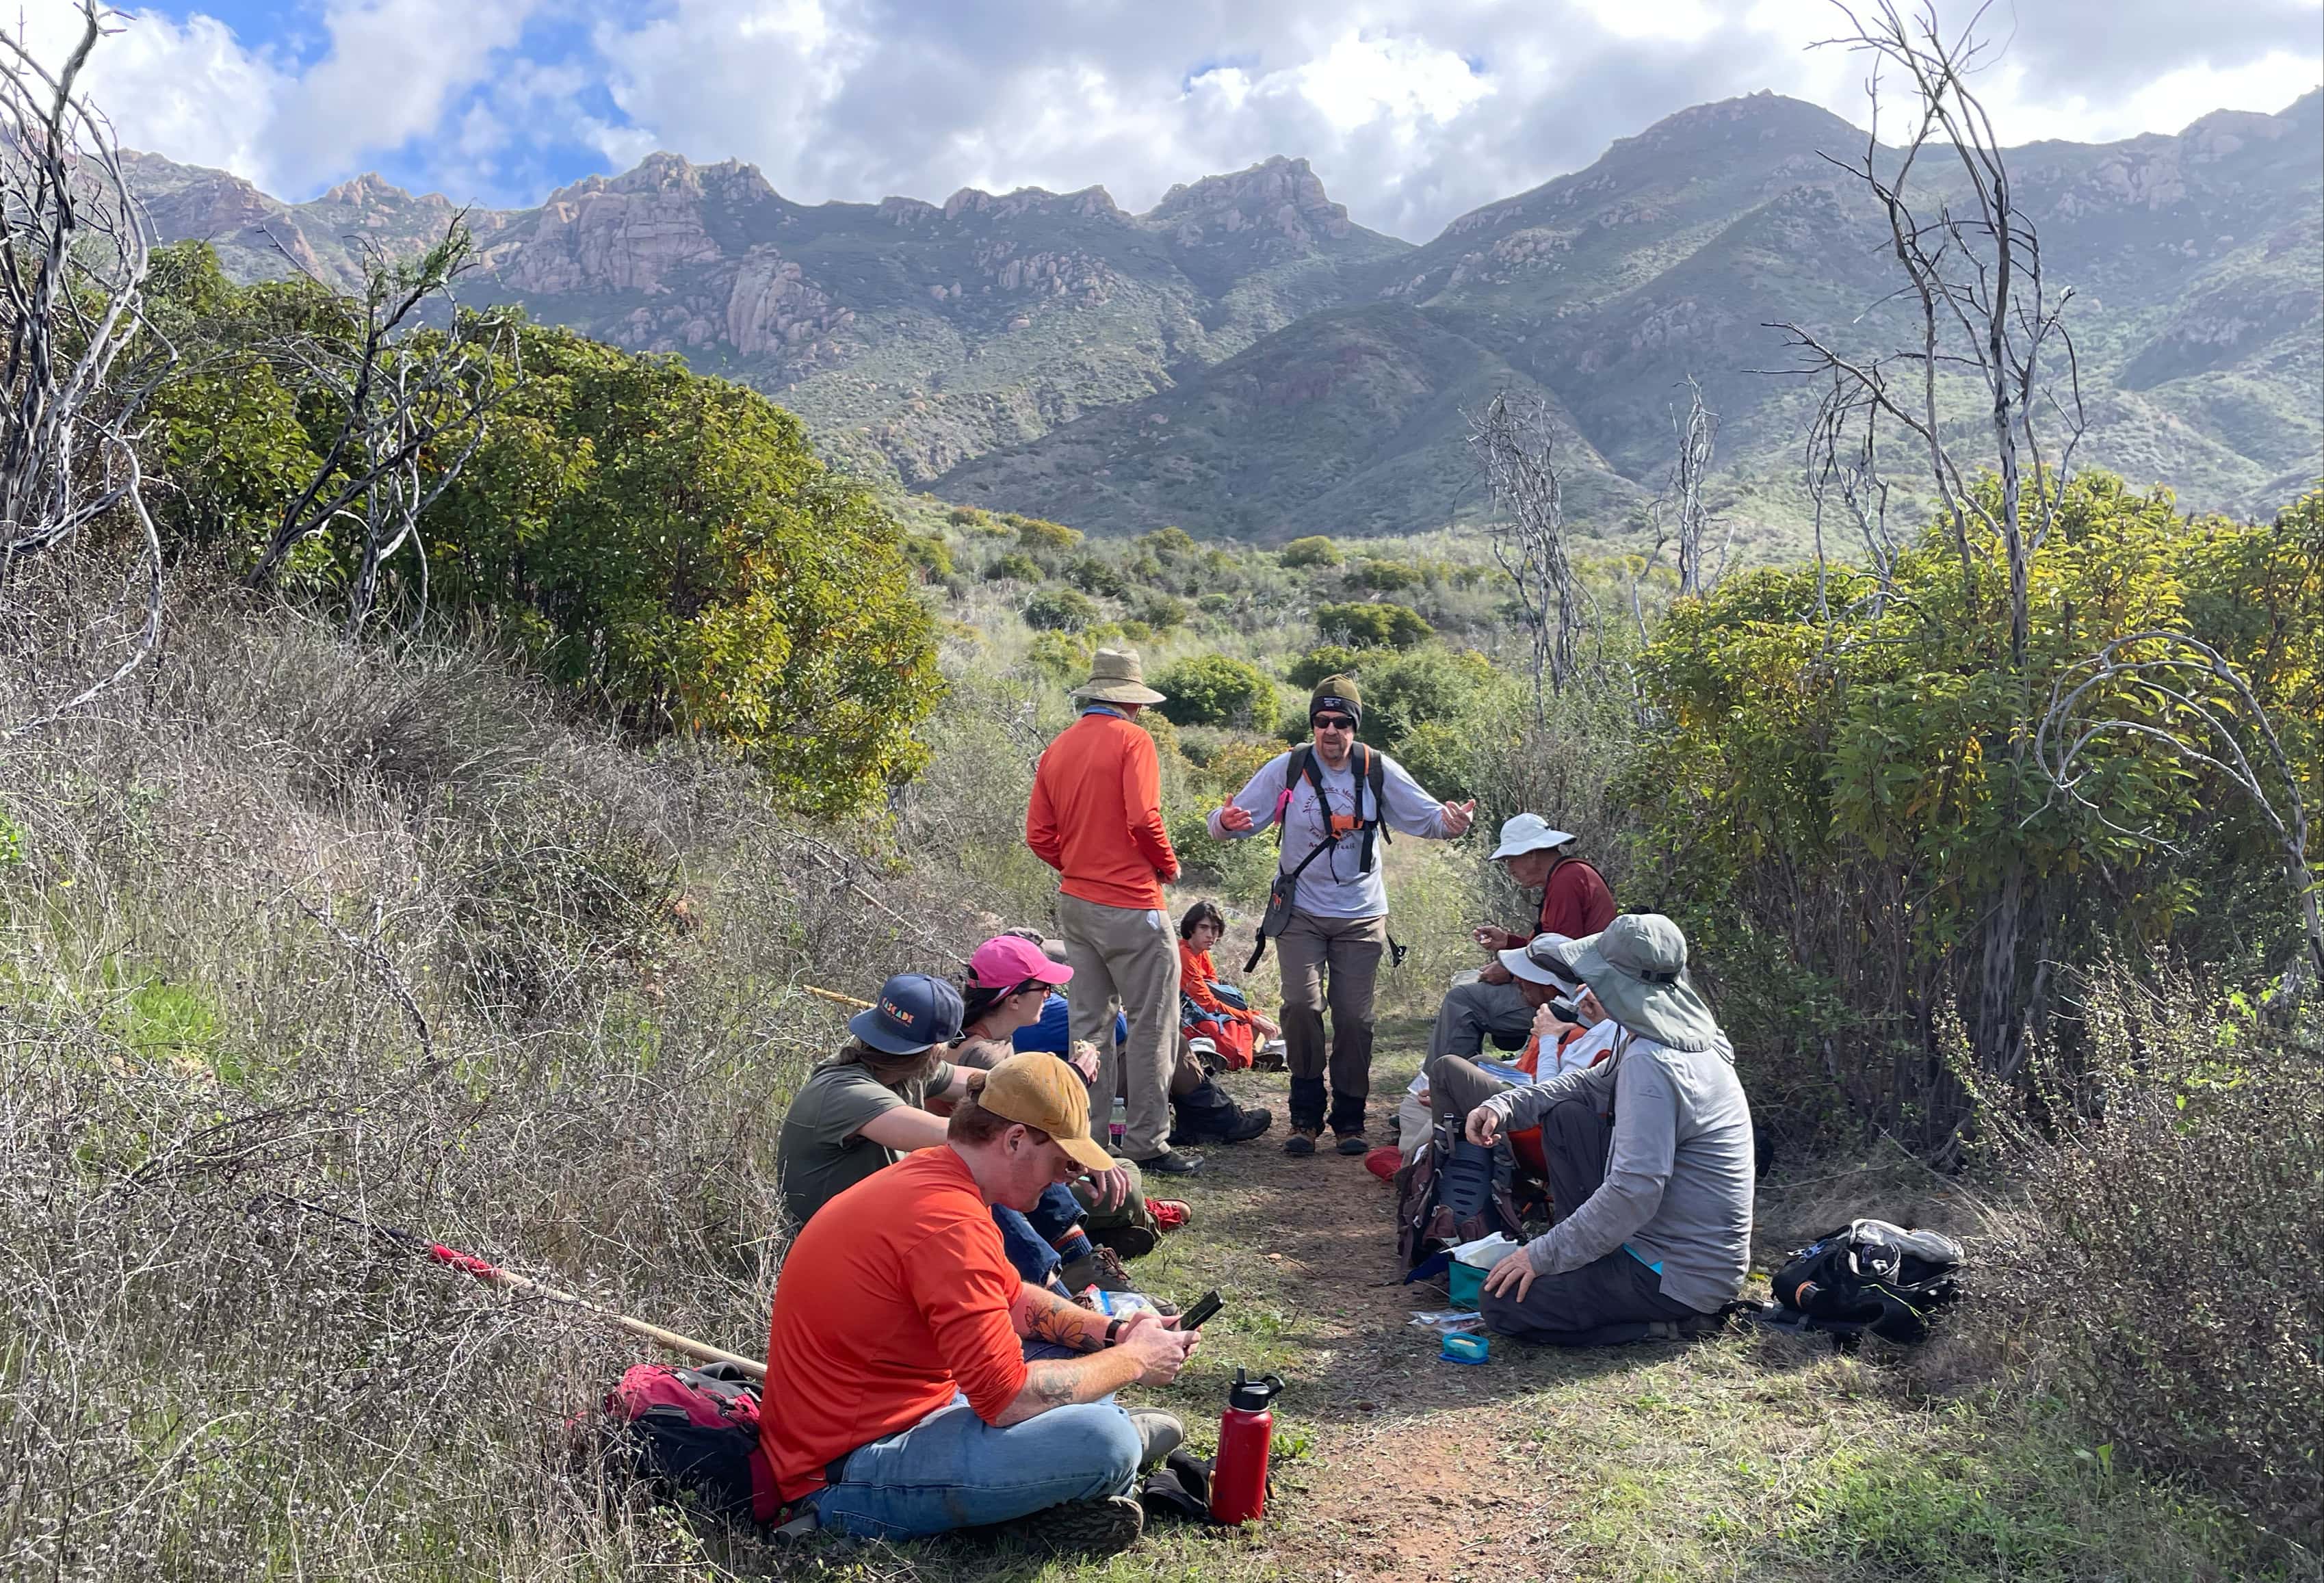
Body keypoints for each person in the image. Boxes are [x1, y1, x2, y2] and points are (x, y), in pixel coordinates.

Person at [763, 1053, 1202, 1553]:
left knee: (1082, 1367)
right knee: (1105, 1440)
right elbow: (1006, 1400)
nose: (1063, 1178)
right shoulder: (949, 1222)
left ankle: (1056, 1477)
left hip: (900, 1412)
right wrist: (1134, 1359)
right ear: (1014, 1140)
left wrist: (1113, 1333)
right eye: (1061, 1161)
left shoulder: (939, 1177)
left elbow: (1011, 1300)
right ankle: (1069, 1478)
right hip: (842, 1472)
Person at [1210, 675, 1474, 1155]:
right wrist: (1223, 824)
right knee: (1300, 1008)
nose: (1330, 731)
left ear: (1354, 726)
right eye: (1320, 721)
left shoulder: (1377, 769)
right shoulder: (1287, 768)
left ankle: (1349, 1119)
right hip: (1300, 911)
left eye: (1340, 722)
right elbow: (1228, 822)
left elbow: (1429, 818)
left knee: (1354, 1018)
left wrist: (1453, 824)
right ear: (1312, 724)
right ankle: (1305, 1115)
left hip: (1361, 914)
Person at [1463, 915, 1755, 1347]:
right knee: (1566, 1115)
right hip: (1674, 1250)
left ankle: (1674, 1324)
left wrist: (1541, 1256)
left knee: (1502, 1304)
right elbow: (1589, 1084)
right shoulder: (1669, 1039)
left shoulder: (1653, 1063)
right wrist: (1505, 1104)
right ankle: (1593, 1267)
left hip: (1676, 1274)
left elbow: (1634, 1190)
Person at [774, 971, 1136, 1298]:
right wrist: (1064, 1147)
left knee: (1019, 1142)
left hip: (882, 1224)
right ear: (934, 1047)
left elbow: (1000, 1087)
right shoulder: (846, 1094)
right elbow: (964, 1140)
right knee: (987, 1169)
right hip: (843, 1252)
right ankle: (1055, 1301)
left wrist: (1062, 1098)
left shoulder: (899, 1069)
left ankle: (1082, 1265)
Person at [1026, 648, 1196, 1176]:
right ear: (1132, 703)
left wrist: (1077, 864)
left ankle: (1087, 1141)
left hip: (1076, 901)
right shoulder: (1133, 740)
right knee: (1152, 1024)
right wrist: (1165, 867)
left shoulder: (1058, 747)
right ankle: (1146, 1141)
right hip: (1132, 903)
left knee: (1089, 1026)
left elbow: (1038, 835)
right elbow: (1144, 818)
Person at [950, 934, 1191, 1258]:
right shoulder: (985, 1056)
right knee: (1126, 1184)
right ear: (1014, 999)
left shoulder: (988, 1039)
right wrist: (1073, 1082)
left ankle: (1115, 1228)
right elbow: (1025, 1132)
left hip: (1014, 1162)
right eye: (1044, 989)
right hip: (1001, 1176)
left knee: (1120, 1169)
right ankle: (1132, 1222)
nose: (1050, 996)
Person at [1427, 813, 1616, 1077]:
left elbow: (1563, 960)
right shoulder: (1569, 875)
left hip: (1578, 1002)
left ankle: (1440, 1091)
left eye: (1511, 859)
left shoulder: (1567, 880)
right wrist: (1509, 942)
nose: (1510, 869)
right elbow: (1554, 946)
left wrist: (1510, 972)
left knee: (1463, 1000)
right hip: (1579, 994)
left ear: (1533, 854)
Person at [1418, 935, 1617, 1183]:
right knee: (1478, 1062)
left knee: (1448, 1067)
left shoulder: (1580, 1032)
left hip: (1540, 1135)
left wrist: (1548, 1038)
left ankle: (1449, 1178)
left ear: (1549, 987)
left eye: (1523, 977)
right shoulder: (1602, 1030)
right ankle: (1453, 1166)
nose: (1517, 982)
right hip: (1542, 1111)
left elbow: (1551, 1100)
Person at [1177, 900, 1280, 1069]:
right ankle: (1241, 1056)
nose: (1211, 935)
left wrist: (1252, 1016)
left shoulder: (1202, 953)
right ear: (1191, 929)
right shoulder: (1184, 954)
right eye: (1204, 928)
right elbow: (1208, 1004)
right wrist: (1250, 1017)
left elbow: (1217, 992)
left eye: (1215, 929)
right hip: (1186, 1017)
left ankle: (1248, 1055)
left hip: (1205, 1012)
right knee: (1238, 1032)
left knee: (1262, 1021)